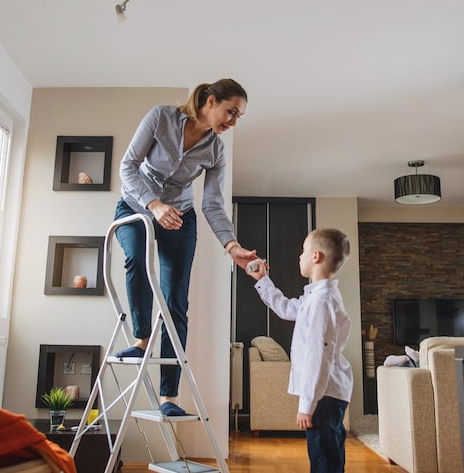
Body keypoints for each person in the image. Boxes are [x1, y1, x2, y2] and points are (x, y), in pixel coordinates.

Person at [113, 79, 257, 417]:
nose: (233, 121)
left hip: (181, 216)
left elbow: (212, 204)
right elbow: (127, 166)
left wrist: (232, 245)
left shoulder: (216, 151)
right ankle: (142, 340)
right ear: (210, 101)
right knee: (136, 258)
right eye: (231, 112)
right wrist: (154, 204)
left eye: (239, 116)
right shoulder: (160, 117)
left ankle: (169, 397)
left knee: (175, 299)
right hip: (136, 206)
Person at [245, 228, 353, 473]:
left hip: (323, 396)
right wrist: (263, 280)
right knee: (329, 455)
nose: (299, 256)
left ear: (316, 256)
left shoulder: (322, 303)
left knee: (324, 460)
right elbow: (285, 309)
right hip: (328, 393)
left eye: (303, 251)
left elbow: (318, 357)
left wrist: (307, 405)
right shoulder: (315, 298)